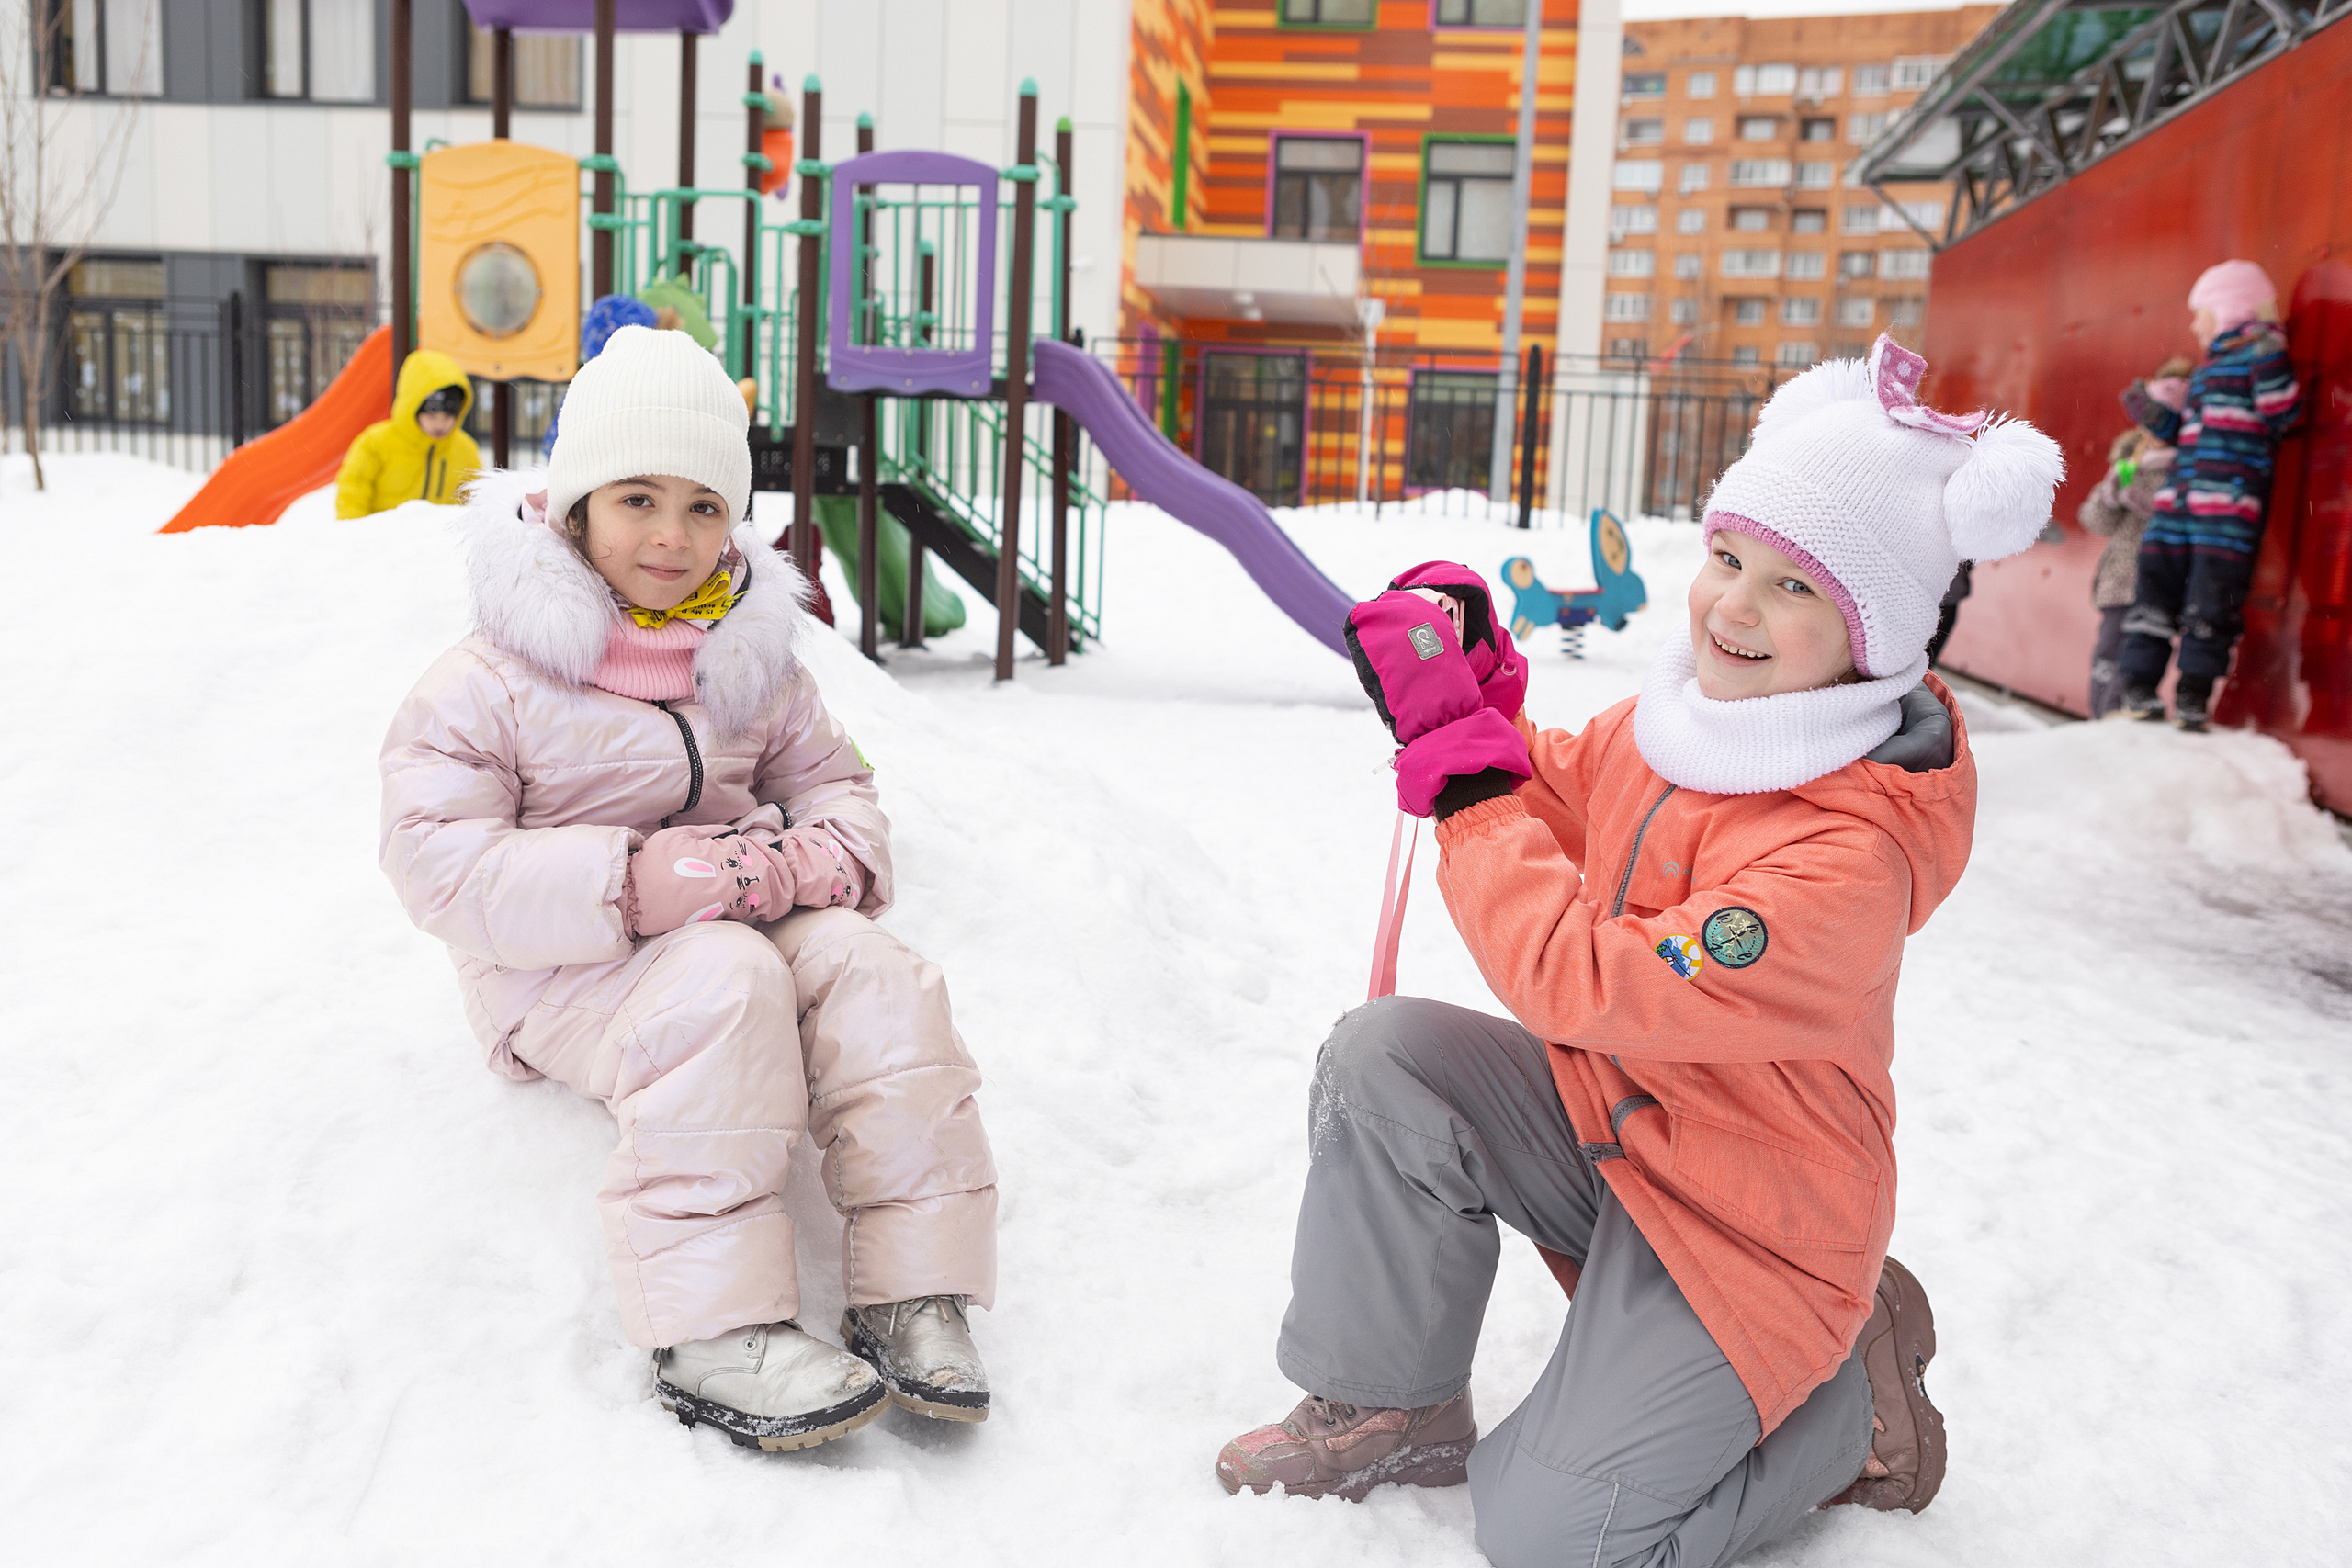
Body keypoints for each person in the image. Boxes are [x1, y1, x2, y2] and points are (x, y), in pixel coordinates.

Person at [1216, 336, 2064, 1568]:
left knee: (1560, 1535)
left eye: (1794, 587)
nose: (1733, 605)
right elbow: (1563, 785)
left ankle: (1843, 1407)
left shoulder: (1843, 861)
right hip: (1623, 1134)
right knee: (1385, 1056)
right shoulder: (1698, 719)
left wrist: (1467, 789)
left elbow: (1586, 978)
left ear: (1873, 633)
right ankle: (1393, 1401)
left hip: (1748, 1232)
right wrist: (1483, 688)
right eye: (1728, 557)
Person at [379, 326, 998, 1452]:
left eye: (705, 506)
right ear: (574, 509)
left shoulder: (751, 660)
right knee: (722, 979)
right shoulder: (490, 679)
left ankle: (912, 1288)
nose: (671, 536)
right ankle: (716, 1329)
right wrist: (630, 882)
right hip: (558, 967)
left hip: (731, 915)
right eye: (636, 499)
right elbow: (438, 862)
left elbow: (844, 797)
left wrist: (799, 865)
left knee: (874, 973)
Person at [2115, 260, 2302, 730]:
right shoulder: (2206, 371)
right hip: (2174, 510)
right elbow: (2188, 434)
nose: (2195, 324)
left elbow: (2283, 412)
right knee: (2153, 593)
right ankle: (2139, 684)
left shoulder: (2257, 360)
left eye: (2201, 312)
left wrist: (2271, 356)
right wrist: (2154, 417)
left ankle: (2193, 695)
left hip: (2226, 517)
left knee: (2210, 605)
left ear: (2229, 309)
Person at [2082, 360, 2189, 716]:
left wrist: (2149, 506)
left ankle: (2118, 724)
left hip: (2157, 582)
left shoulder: (2184, 465)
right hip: (2118, 580)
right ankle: (2101, 723)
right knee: (2107, 657)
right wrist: (2110, 494)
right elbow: (2095, 520)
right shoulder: (2131, 456)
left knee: (2135, 662)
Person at [334, 348, 481, 518]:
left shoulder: (465, 450)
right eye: (431, 416)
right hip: (383, 538)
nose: (440, 424)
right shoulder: (376, 443)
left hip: (437, 539)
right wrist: (354, 530)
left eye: (448, 416)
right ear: (413, 409)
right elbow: (353, 489)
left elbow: (474, 499)